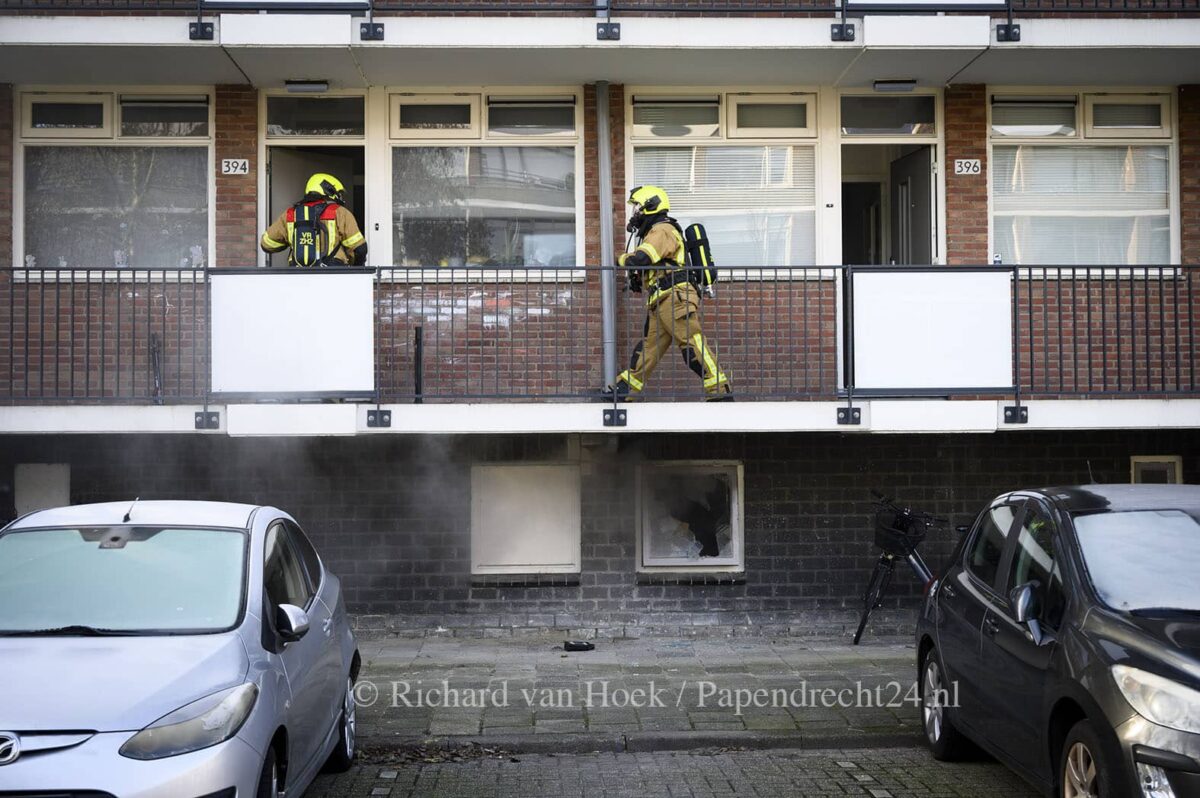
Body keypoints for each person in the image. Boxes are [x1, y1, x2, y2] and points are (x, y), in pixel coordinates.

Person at [612, 185, 732, 401]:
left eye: (638, 207)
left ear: (651, 205)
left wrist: (620, 259)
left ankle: (720, 391)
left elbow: (642, 258)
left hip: (674, 298)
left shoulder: (662, 230)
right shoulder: (655, 231)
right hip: (661, 300)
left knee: (692, 344)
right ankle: (624, 390)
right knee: (648, 350)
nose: (635, 212)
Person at [260, 173, 367, 267]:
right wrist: (356, 268)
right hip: (333, 272)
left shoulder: (290, 214)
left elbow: (267, 244)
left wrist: (291, 240)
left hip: (297, 274)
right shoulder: (339, 212)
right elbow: (360, 249)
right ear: (329, 190)